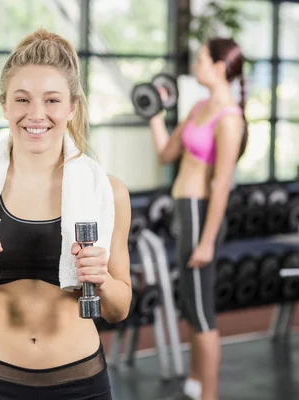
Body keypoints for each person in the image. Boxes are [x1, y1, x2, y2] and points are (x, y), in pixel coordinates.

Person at [0, 29, 132, 400]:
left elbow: (119, 308)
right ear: (5, 106)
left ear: (72, 106)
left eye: (52, 100)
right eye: (22, 99)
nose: (36, 114)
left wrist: (101, 279)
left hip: (80, 384)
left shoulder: (106, 191)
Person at [148, 38, 247, 400]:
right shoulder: (198, 107)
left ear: (220, 67)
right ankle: (194, 380)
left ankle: (210, 395)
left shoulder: (230, 119)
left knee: (201, 311)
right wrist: (153, 111)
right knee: (189, 304)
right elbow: (165, 153)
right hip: (183, 210)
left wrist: (206, 241)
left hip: (202, 213)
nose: (197, 64)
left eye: (203, 59)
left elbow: (221, 185)